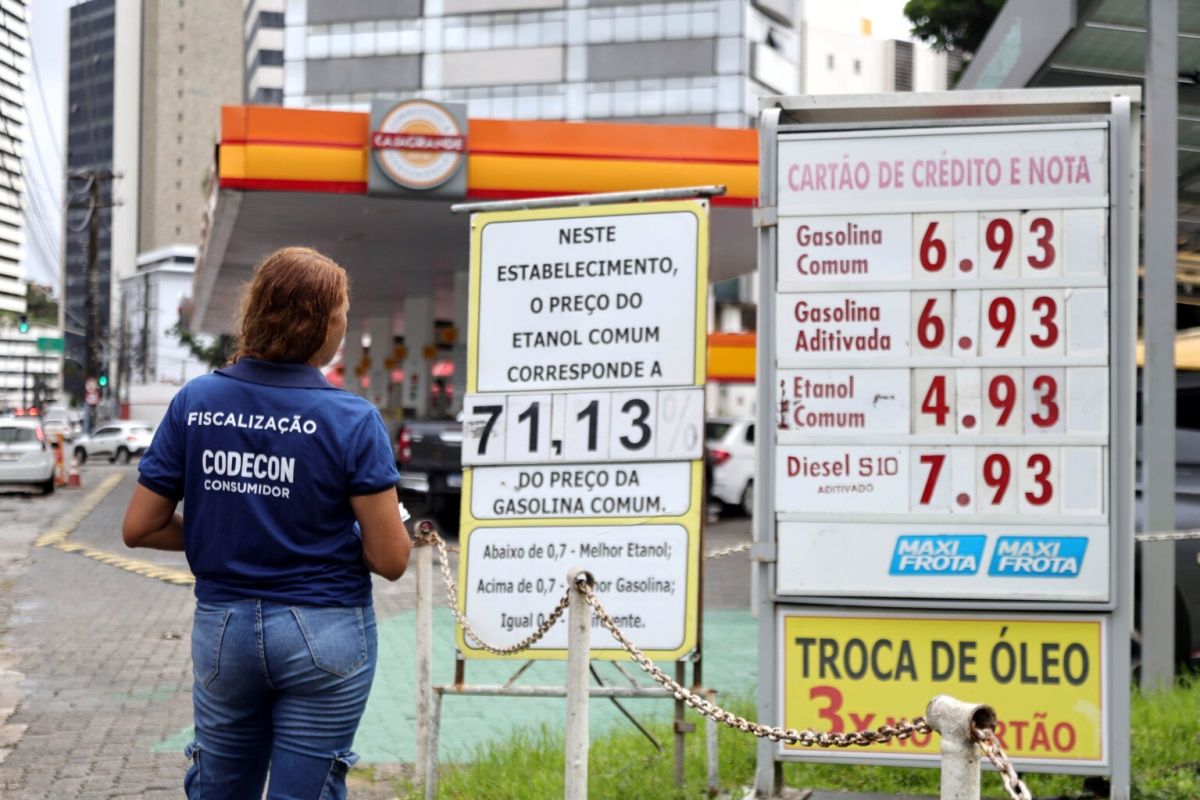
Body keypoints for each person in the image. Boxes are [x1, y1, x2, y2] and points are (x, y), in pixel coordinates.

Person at [122, 246, 412, 799]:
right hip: (324, 631)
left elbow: (140, 526)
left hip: (223, 630)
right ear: (324, 324)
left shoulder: (196, 402)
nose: (343, 331)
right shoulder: (352, 419)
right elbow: (391, 559)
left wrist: (226, 532)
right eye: (342, 318)